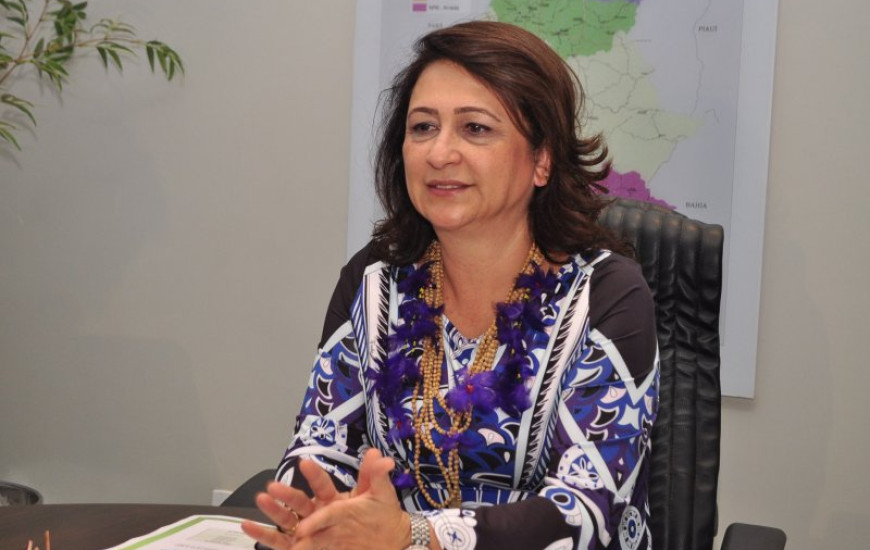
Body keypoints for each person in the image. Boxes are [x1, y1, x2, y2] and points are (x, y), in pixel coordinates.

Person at [242, 21, 659, 550]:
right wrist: (314, 514)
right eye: (422, 127)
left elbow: (586, 511)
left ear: (542, 159)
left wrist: (414, 534)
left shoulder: (606, 295)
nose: (439, 153)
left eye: (475, 128)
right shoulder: (375, 281)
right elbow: (322, 445)